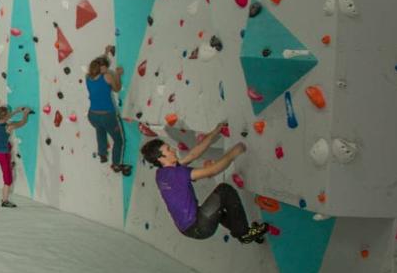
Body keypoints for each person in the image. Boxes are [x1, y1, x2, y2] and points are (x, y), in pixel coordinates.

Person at [140, 123, 269, 244]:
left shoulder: (162, 172)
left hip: (190, 226)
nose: (173, 150)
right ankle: (244, 234)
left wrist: (214, 132)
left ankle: (244, 232)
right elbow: (213, 170)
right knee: (224, 191)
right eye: (168, 150)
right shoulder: (176, 174)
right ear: (161, 158)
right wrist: (234, 152)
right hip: (199, 227)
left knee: (219, 210)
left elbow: (193, 154)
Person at [86, 45, 130, 176]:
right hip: (107, 116)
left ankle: (102, 154)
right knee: (119, 140)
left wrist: (106, 53)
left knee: (100, 131)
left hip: (93, 115)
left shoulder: (88, 77)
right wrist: (116, 74)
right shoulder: (108, 76)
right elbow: (117, 88)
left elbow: (99, 63)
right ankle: (116, 164)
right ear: (103, 68)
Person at [0, 106, 33, 208]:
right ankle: (4, 201)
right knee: (8, 179)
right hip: (2, 155)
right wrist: (25, 113)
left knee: (9, 145)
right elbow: (23, 122)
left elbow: (5, 117)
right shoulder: (8, 126)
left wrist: (17, 111)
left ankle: (9, 165)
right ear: (6, 116)